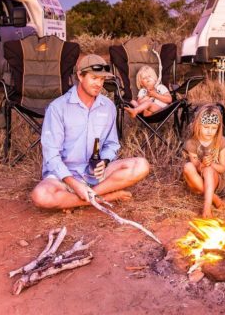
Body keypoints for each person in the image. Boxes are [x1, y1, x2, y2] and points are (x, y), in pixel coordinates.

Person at [31, 54, 150, 210]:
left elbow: (112, 144)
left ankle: (87, 197)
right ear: (80, 76)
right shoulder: (58, 108)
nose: (99, 84)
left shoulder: (108, 107)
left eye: (102, 80)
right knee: (40, 196)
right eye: (94, 78)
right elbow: (51, 154)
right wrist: (73, 183)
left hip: (93, 173)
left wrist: (105, 161)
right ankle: (102, 197)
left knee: (141, 165)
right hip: (64, 177)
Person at [182, 104, 225, 218]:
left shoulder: (221, 142)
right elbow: (195, 167)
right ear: (198, 125)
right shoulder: (191, 143)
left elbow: (223, 168)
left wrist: (211, 164)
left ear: (218, 128)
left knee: (208, 169)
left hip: (214, 180)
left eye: (213, 128)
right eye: (206, 127)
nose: (209, 131)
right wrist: (201, 164)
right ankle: (215, 198)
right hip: (195, 182)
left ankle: (207, 209)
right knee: (187, 166)